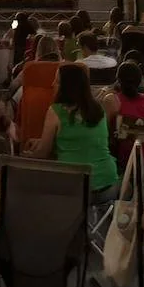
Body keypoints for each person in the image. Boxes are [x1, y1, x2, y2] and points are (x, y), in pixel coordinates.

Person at [28, 63, 118, 198]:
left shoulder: (56, 111)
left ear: (67, 87)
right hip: (109, 183)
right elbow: (83, 140)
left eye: (57, 81)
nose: (53, 84)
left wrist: (27, 156)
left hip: (75, 187)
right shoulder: (98, 109)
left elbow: (43, 153)